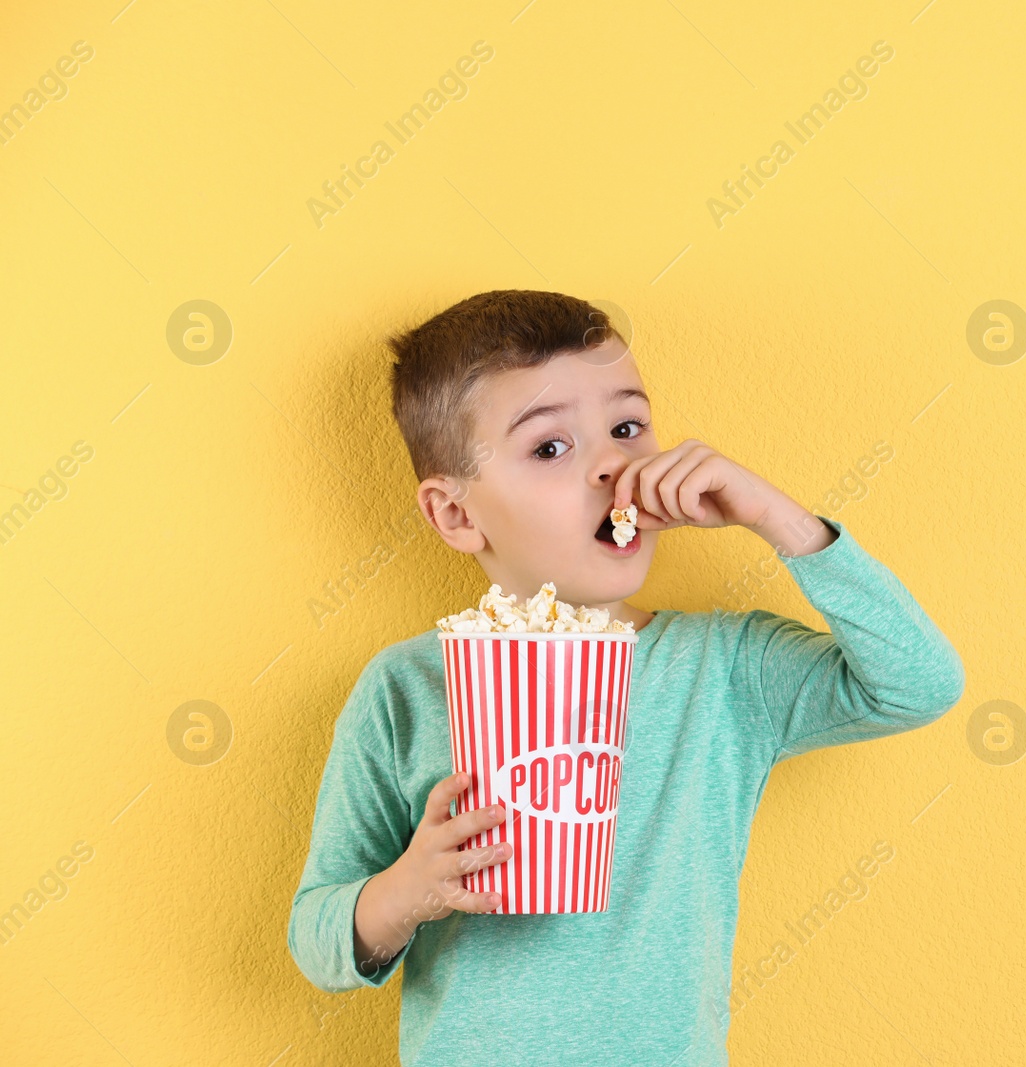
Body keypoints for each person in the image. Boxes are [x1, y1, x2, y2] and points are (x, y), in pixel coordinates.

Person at [287, 289, 965, 1065]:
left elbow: (919, 682)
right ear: (455, 515)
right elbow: (316, 939)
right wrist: (406, 891)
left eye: (627, 427)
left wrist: (777, 517)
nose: (615, 463)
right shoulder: (406, 688)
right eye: (550, 447)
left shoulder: (722, 671)